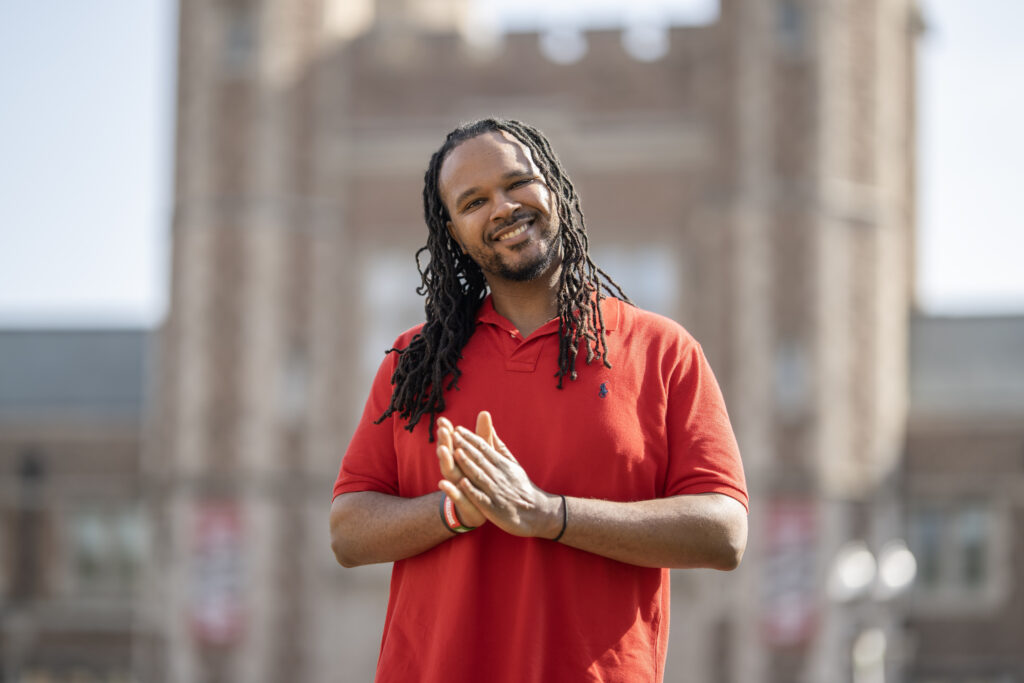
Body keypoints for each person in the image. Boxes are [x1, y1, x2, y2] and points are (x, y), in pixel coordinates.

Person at [330, 118, 748, 682]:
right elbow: (348, 531)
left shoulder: (662, 350)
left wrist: (547, 514)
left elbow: (724, 532)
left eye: (516, 183)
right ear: (453, 231)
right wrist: (456, 511)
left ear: (553, 186)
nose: (502, 208)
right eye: (474, 201)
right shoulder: (412, 363)